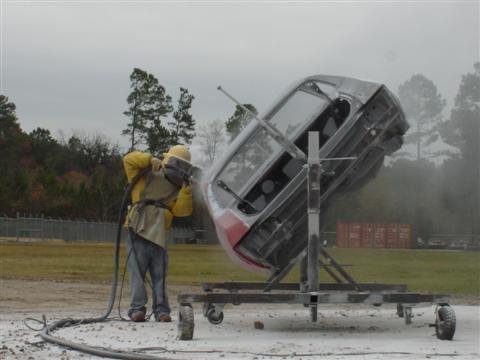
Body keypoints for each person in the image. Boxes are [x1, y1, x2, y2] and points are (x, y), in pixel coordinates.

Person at [123, 145, 193, 322]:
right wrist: (148, 159)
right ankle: (137, 308)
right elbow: (128, 159)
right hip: (138, 227)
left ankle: (162, 310)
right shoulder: (147, 172)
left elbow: (181, 211)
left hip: (159, 230)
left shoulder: (178, 187)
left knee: (159, 273)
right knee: (137, 272)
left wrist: (186, 190)